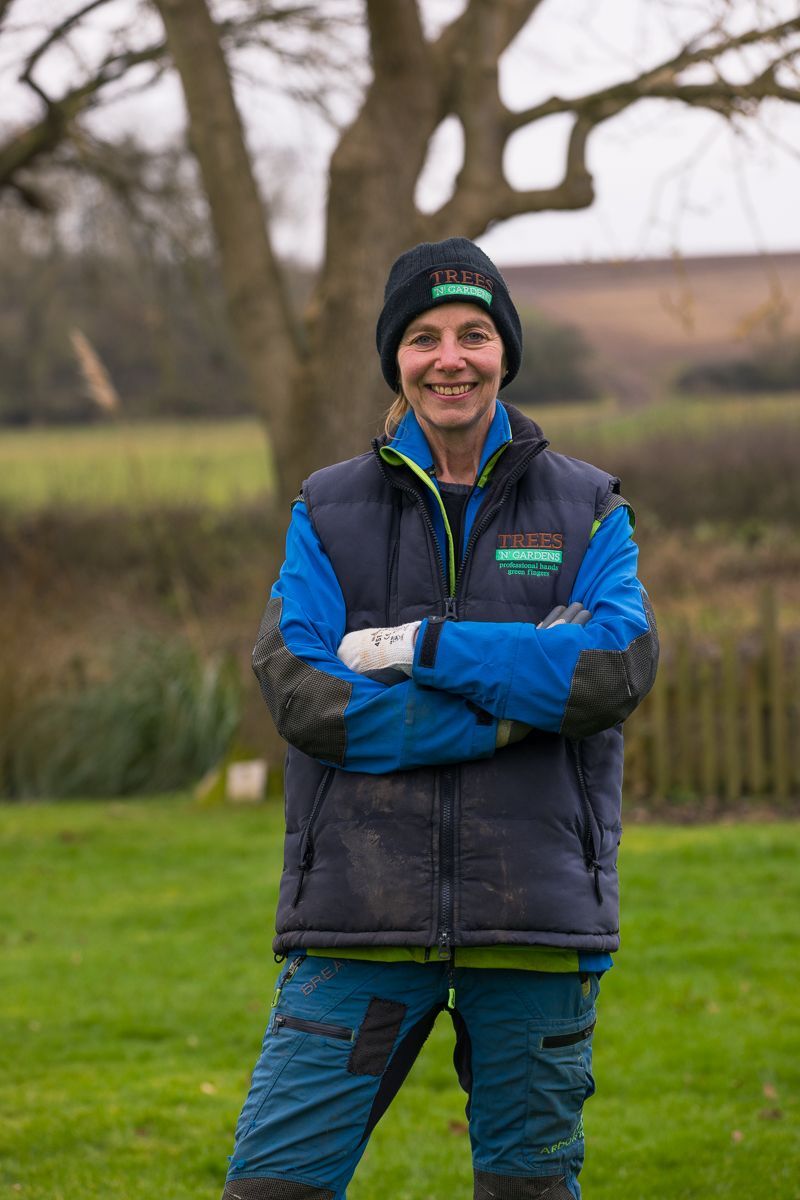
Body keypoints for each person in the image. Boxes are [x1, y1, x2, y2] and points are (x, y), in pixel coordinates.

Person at [222, 238, 658, 1200]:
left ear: (504, 351)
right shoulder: (327, 510)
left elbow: (612, 670)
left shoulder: (588, 508)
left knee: (525, 1192)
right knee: (273, 1187)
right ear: (397, 360)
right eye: (423, 338)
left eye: (473, 333)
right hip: (356, 920)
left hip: (533, 921)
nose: (449, 357)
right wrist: (512, 711)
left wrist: (423, 649)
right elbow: (302, 693)